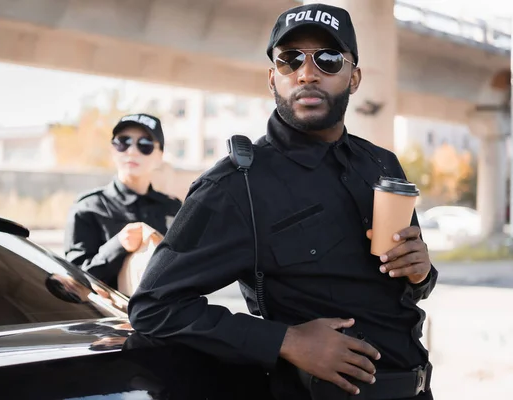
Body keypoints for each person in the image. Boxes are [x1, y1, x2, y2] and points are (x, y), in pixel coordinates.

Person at [128, 3, 438, 400]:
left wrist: (421, 272)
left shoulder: (382, 163)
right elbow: (154, 307)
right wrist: (286, 340)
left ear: (354, 77)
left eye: (327, 59)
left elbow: (406, 290)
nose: (307, 73)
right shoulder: (235, 185)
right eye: (290, 60)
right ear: (273, 78)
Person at [64, 113, 182, 291]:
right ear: (113, 150)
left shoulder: (173, 208)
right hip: (111, 317)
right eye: (123, 142)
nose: (132, 151)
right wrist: (117, 245)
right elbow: (75, 282)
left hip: (166, 315)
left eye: (145, 145)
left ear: (160, 156)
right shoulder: (88, 208)